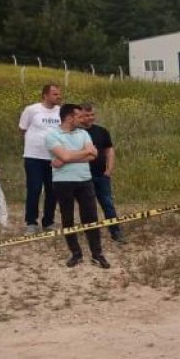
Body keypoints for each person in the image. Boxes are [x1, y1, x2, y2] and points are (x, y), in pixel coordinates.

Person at [47, 103, 108, 268]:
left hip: (84, 180)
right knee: (68, 218)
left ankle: (97, 254)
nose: (83, 119)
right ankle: (76, 253)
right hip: (63, 182)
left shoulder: (83, 133)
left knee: (91, 218)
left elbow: (93, 155)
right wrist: (80, 153)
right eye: (79, 116)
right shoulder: (52, 134)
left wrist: (66, 157)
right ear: (69, 117)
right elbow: (75, 155)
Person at [18, 83, 63, 234]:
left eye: (59, 94)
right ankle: (31, 222)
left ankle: (48, 221)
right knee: (34, 189)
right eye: (55, 94)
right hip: (34, 157)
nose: (58, 96)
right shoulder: (32, 110)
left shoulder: (61, 112)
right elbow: (22, 129)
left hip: (54, 158)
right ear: (45, 95)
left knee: (53, 190)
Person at [80, 103, 125, 243]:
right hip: (83, 176)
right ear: (79, 116)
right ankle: (91, 234)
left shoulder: (102, 131)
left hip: (101, 175)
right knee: (88, 207)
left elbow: (109, 150)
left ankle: (115, 231)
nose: (90, 118)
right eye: (86, 115)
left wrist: (109, 169)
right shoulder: (75, 133)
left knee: (107, 203)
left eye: (92, 115)